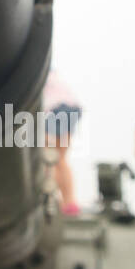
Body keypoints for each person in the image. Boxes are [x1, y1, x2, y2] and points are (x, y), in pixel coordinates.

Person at [42, 70, 83, 216]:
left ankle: (57, 199)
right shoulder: (49, 72)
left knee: (48, 156)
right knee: (59, 158)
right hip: (71, 108)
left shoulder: (32, 69)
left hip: (57, 108)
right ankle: (69, 202)